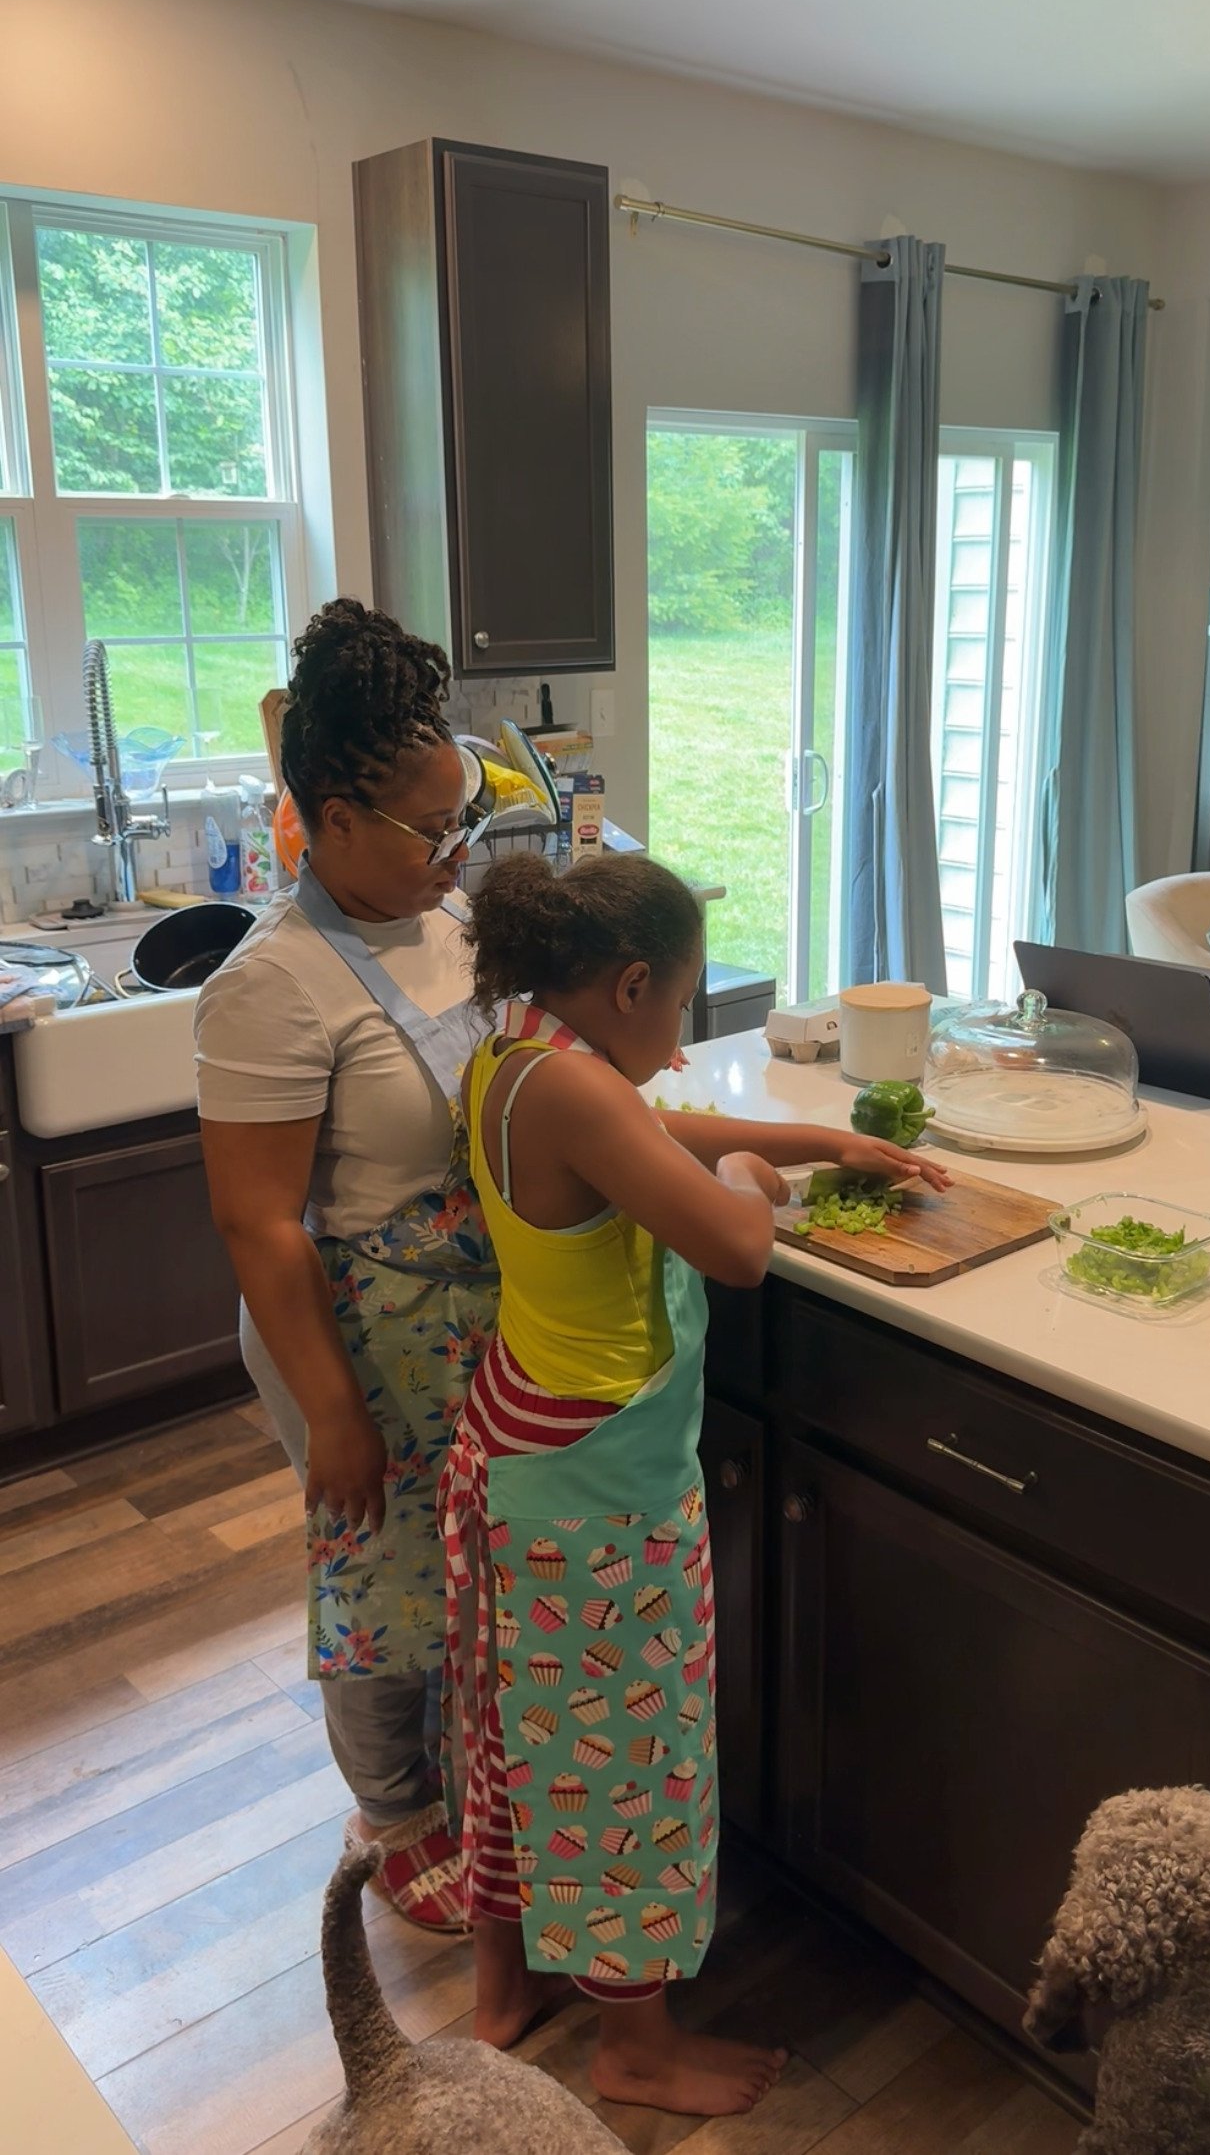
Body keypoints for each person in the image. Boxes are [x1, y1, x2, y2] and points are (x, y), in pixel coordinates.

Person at [439, 851, 950, 2116]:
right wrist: (756, 1181)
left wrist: (819, 1134)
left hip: (518, 1443)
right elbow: (731, 1244)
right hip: (593, 1483)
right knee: (616, 1754)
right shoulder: (578, 1089)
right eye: (681, 1004)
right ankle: (638, 2046)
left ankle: (504, 1986)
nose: (682, 1036)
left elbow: (653, 1128)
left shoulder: (513, 1047)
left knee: (514, 1730)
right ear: (624, 988)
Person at [196, 599, 499, 1931]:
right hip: (344, 1329)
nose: (458, 850)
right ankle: (392, 1810)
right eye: (436, 829)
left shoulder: (442, 915)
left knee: (448, 1561)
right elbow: (258, 1223)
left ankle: (447, 1772)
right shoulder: (273, 982)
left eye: (464, 818)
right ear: (334, 813)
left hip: (457, 1317)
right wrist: (331, 1414)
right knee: (374, 1571)